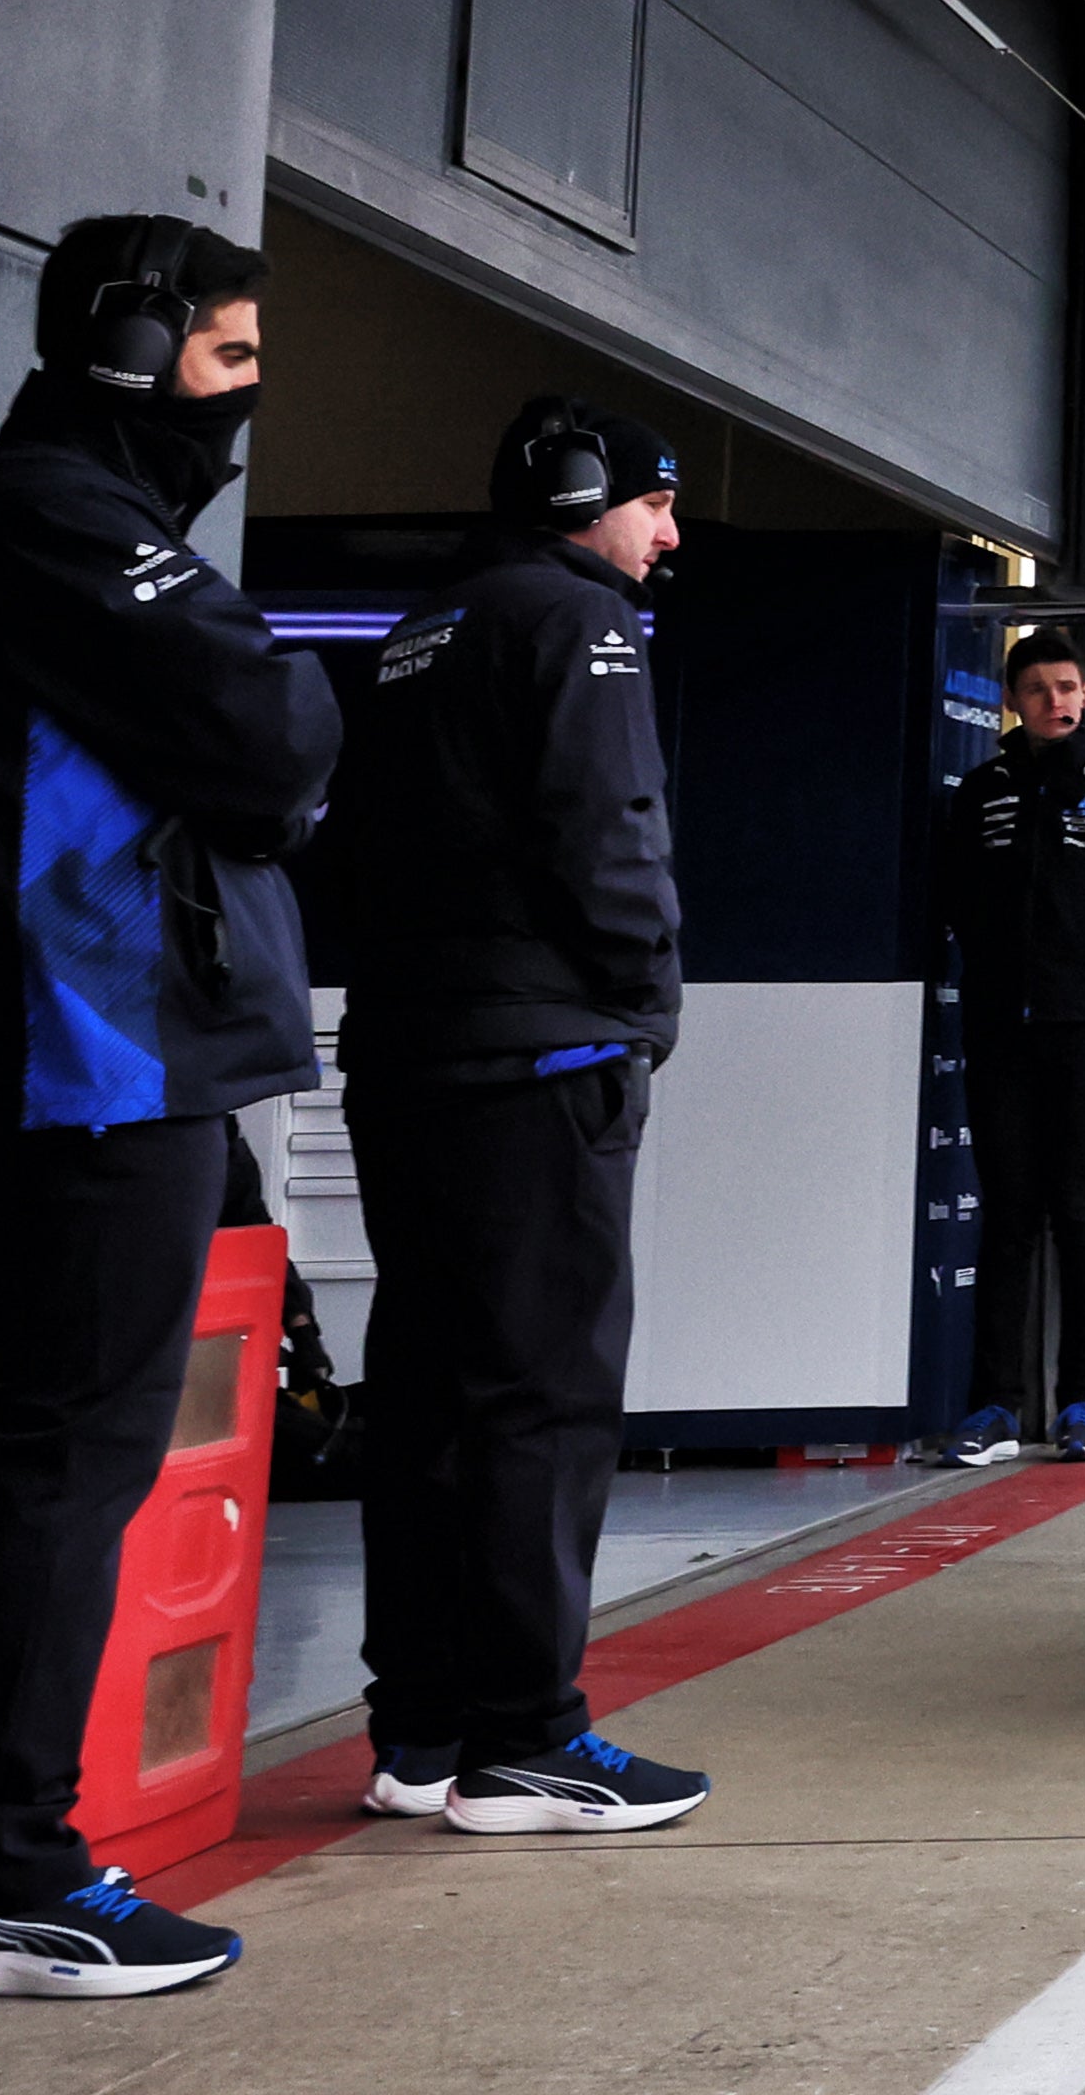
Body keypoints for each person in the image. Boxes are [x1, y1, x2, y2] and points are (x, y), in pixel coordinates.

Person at [0, 219, 334, 1999]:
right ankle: (6, 1864)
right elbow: (278, 732)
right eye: (229, 357)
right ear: (131, 351)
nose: (248, 395)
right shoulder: (57, 508)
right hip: (97, 1047)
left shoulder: (64, 513)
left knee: (44, 1443)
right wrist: (273, 726)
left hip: (117, 1045)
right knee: (73, 1450)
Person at [319, 395, 707, 1840]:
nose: (667, 536)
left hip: (409, 1061)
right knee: (542, 1399)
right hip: (541, 1064)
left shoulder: (420, 632)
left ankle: (417, 1734)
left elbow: (346, 848)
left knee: (423, 1400)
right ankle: (528, 1739)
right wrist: (645, 1007)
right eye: (655, 505)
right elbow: (613, 831)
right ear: (583, 496)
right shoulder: (581, 622)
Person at [923, 628, 1085, 1469]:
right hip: (1000, 1022)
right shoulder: (984, 787)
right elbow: (957, 895)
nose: (1056, 702)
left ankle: (1082, 1401)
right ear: (1013, 700)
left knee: (1078, 1204)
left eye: (1068, 686)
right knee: (1008, 1211)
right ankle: (997, 1405)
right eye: (1038, 689)